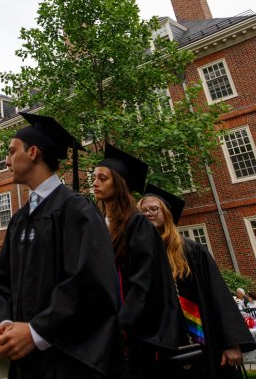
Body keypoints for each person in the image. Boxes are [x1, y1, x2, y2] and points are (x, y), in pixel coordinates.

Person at [0, 113, 121, 378]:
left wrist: (37, 332)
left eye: (12, 152)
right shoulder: (18, 220)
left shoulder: (75, 210)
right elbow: (4, 283)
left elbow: (90, 282)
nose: (7, 160)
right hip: (24, 363)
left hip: (64, 362)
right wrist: (7, 326)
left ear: (33, 152)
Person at [139, 184, 255, 378]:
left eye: (154, 208)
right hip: (161, 339)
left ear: (166, 213)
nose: (148, 213)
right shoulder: (140, 254)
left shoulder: (191, 250)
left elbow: (217, 293)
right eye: (143, 211)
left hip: (200, 336)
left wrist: (231, 343)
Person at [92, 144, 182, 377]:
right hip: (105, 328)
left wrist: (122, 323)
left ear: (120, 183)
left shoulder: (138, 225)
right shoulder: (98, 225)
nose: (95, 183)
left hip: (137, 333)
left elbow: (145, 281)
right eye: (94, 177)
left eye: (103, 178)